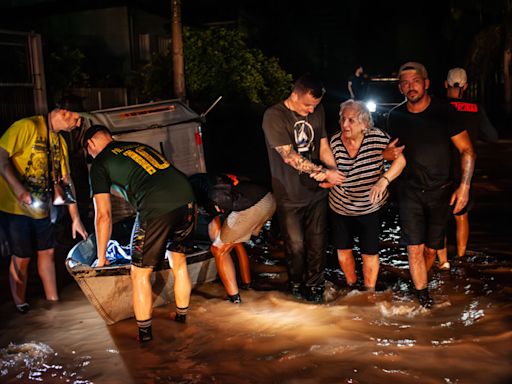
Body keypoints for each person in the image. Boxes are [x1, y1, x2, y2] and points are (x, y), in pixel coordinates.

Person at [83, 124, 195, 343]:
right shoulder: (137, 147)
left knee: (140, 273)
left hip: (156, 207)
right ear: (111, 137)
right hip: (187, 199)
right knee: (178, 261)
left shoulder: (99, 163)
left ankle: (144, 337)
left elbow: (103, 215)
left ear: (91, 144)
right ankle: (182, 319)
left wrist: (102, 258)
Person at [385, 62, 476, 307]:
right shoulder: (396, 116)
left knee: (430, 250)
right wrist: (386, 156)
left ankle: (421, 282)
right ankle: (422, 297)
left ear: (426, 83)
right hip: (409, 192)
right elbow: (391, 154)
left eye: (415, 81)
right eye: (404, 83)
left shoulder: (444, 111)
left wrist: (464, 187)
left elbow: (467, 150)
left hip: (441, 192)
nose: (410, 87)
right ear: (400, 88)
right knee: (414, 248)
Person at [0, 95, 88, 313]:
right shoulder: (26, 126)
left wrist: (75, 218)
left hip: (42, 209)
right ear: (63, 112)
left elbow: (67, 182)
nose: (78, 125)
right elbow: (0, 157)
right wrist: (19, 190)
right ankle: (20, 304)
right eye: (76, 119)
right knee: (22, 257)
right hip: (13, 206)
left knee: (47, 252)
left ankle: (53, 301)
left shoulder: (60, 143)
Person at [262, 73, 345, 302]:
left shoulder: (317, 111)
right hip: (289, 194)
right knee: (296, 246)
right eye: (307, 105)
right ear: (294, 95)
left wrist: (333, 172)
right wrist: (323, 172)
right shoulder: (274, 116)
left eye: (315, 106)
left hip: (317, 192)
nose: (311, 111)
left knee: (318, 244)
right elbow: (289, 156)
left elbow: (324, 145)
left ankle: (315, 289)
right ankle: (296, 285)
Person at [329, 100, 406, 291]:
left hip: (369, 206)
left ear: (364, 124)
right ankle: (351, 286)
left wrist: (384, 180)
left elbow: (401, 160)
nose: (345, 125)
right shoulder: (334, 142)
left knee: (369, 252)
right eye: (343, 119)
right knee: (342, 251)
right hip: (340, 205)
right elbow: (327, 170)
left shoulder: (377, 138)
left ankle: (369, 292)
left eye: (351, 120)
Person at [436, 67, 499, 269]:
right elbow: (493, 137)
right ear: (465, 86)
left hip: (439, 170)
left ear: (445, 84)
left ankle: (443, 262)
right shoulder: (475, 109)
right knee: (462, 216)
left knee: (439, 219)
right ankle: (461, 258)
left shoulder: (437, 107)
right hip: (465, 171)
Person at [189, 173, 276, 303]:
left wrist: (218, 247)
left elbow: (219, 202)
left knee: (218, 250)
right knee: (234, 242)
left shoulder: (212, 194)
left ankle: (234, 299)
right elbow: (216, 223)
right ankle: (247, 285)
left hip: (251, 206)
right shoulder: (214, 183)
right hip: (268, 200)